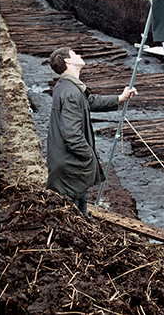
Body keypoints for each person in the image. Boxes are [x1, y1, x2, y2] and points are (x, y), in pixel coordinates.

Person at [46, 47, 136, 216]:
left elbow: (90, 101)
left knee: (79, 218)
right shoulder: (71, 92)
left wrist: (119, 98)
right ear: (68, 61)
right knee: (72, 219)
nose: (80, 55)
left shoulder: (67, 86)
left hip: (68, 164)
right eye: (75, 54)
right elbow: (72, 136)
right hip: (71, 167)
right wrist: (90, 157)